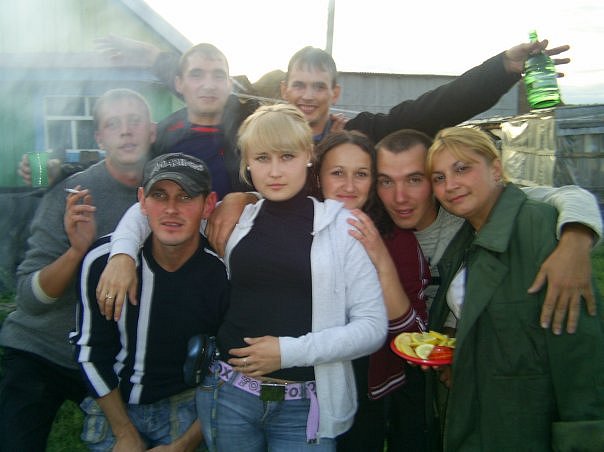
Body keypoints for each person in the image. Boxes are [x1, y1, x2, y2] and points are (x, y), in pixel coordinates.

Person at [191, 104, 387, 451]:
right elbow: (161, 214)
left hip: (305, 406)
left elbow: (372, 327)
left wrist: (287, 352)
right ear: (247, 163)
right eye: (262, 158)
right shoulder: (236, 219)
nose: (275, 171)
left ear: (309, 155)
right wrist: (121, 254)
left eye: (287, 156)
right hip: (228, 394)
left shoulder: (342, 225)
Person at [425, 126, 604, 451]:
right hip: (483, 417)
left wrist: (582, 437)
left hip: (526, 426)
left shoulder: (544, 230)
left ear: (496, 169)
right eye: (439, 177)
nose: (450, 185)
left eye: (462, 168)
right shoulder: (467, 234)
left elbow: (581, 355)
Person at [0, 88, 155, 450]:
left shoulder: (164, 193)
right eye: (113, 124)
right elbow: (29, 299)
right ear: (99, 138)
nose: (126, 130)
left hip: (110, 357)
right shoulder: (73, 193)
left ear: (152, 131)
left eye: (134, 121)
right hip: (43, 348)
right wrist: (77, 251)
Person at [374, 129, 602, 332]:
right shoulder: (375, 234)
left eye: (414, 179)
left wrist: (574, 242)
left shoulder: (470, 213)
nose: (400, 197)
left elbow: (572, 195)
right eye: (386, 181)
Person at [73, 153, 229, 451]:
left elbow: (228, 364)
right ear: (142, 201)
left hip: (189, 405)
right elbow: (90, 351)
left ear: (208, 204)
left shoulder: (222, 270)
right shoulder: (102, 262)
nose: (171, 209)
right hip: (115, 403)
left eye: (186, 196)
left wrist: (185, 443)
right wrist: (123, 432)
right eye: (159, 195)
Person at [310, 130, 430, 452]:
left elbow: (416, 336)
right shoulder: (298, 225)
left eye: (361, 174)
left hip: (368, 382)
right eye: (338, 173)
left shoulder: (397, 239)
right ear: (318, 177)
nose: (349, 186)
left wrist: (380, 257)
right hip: (305, 380)